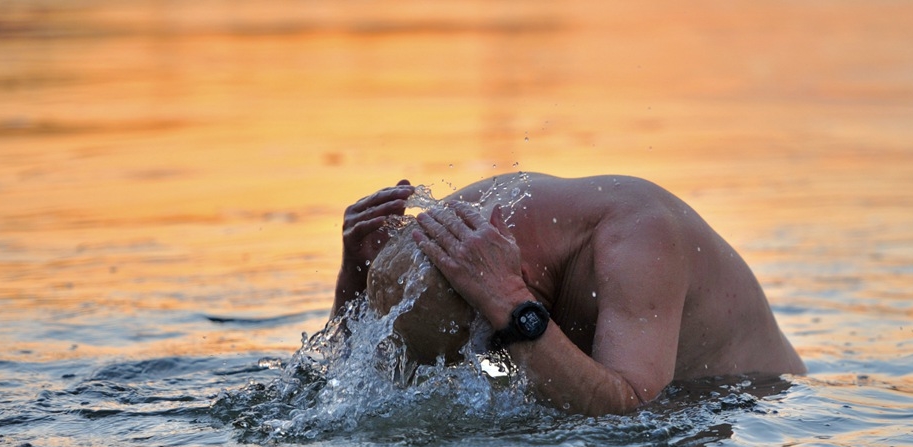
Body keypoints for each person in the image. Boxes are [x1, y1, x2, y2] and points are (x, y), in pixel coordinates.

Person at [331, 173, 805, 416]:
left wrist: (511, 307)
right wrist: (354, 273)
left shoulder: (638, 239)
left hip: (753, 406)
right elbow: (337, 378)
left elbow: (631, 409)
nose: (485, 359)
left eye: (489, 343)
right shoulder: (454, 242)